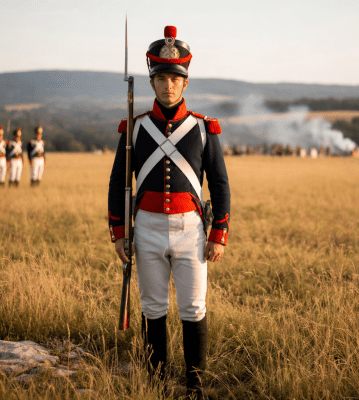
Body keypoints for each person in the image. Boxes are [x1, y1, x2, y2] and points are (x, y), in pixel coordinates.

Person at [108, 25, 230, 398]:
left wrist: (218, 234)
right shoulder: (135, 128)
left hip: (190, 229)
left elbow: (220, 185)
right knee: (153, 307)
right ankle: (157, 384)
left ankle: (194, 386)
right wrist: (119, 233)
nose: (168, 85)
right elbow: (117, 184)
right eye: (161, 78)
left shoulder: (204, 129)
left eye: (174, 78)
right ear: (153, 82)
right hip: (145, 227)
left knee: (194, 308)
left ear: (185, 83)